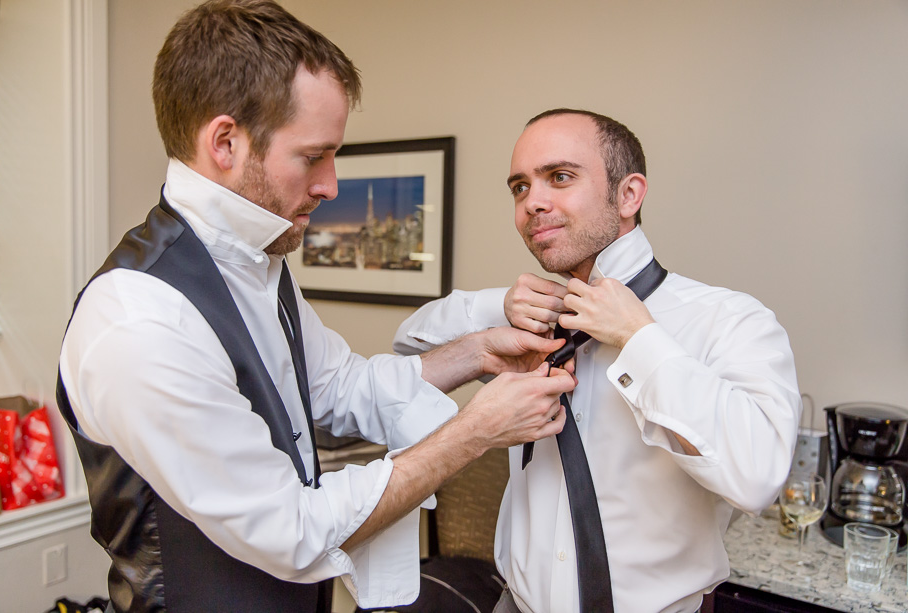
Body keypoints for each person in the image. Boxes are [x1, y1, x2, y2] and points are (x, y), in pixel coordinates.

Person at [56, 3, 575, 612]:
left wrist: (475, 352)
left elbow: (339, 389)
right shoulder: (139, 320)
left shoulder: (260, 263)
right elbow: (293, 532)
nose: (331, 185)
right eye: (313, 156)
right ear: (225, 142)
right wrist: (474, 433)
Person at [393, 109, 802, 613]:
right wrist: (495, 306)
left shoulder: (729, 320)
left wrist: (639, 338)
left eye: (559, 177)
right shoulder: (532, 324)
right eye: (519, 187)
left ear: (629, 195)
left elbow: (759, 476)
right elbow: (406, 351)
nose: (532, 203)